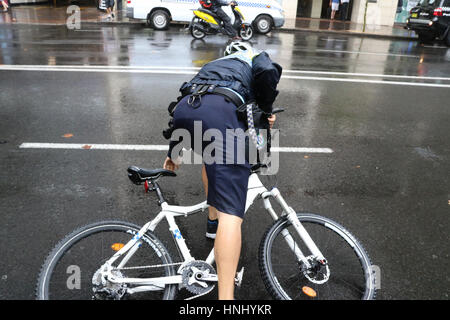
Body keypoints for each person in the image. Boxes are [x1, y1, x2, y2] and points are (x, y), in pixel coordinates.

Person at [163, 41, 282, 300]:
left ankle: (212, 221)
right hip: (218, 112)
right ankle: (226, 300)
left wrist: (174, 151)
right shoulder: (254, 57)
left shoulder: (214, 66)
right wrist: (268, 110)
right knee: (233, 214)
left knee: (211, 157)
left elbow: (190, 98)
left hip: (185, 112)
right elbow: (268, 74)